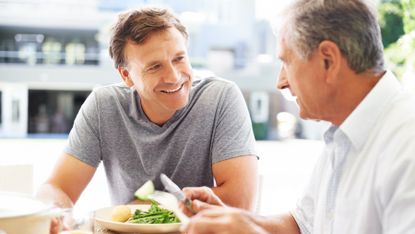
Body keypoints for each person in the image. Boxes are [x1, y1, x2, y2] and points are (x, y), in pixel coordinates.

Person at [180, 0, 415, 233]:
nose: (280, 82)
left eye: (286, 62)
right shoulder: (343, 135)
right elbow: (300, 226)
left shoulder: (406, 144)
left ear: (328, 60)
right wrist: (234, 220)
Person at [37, 6, 259, 234]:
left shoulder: (220, 98)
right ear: (126, 76)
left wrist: (139, 208)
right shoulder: (104, 105)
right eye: (154, 67)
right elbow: (57, 187)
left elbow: (240, 200)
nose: (174, 77)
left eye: (179, 58)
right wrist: (55, 214)